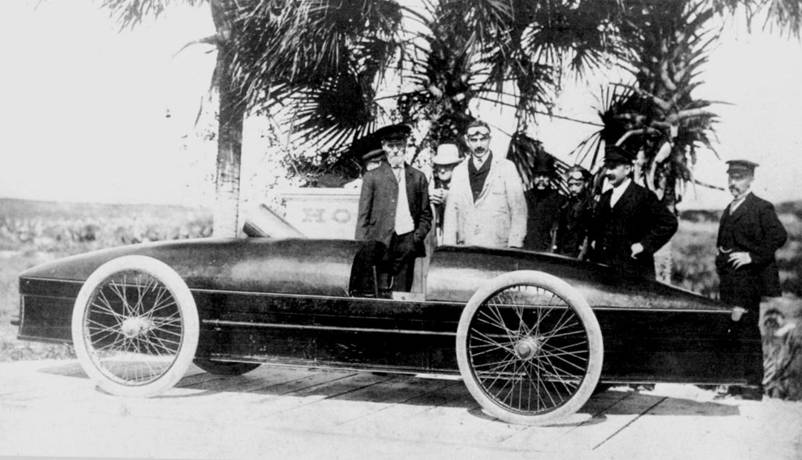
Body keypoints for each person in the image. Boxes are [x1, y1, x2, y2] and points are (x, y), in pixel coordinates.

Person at [715, 159, 787, 399]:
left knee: (746, 329)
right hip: (729, 279)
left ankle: (752, 387)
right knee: (730, 329)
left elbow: (779, 235)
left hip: (748, 280)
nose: (733, 183)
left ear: (751, 179)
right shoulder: (730, 207)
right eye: (731, 177)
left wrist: (752, 256)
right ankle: (735, 383)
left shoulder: (761, 207)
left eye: (739, 177)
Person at [355, 124, 432, 292]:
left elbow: (426, 215)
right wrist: (363, 248)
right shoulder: (372, 178)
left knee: (402, 292)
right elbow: (363, 216)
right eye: (391, 146)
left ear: (406, 145)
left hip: (407, 242)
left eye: (399, 145)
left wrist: (415, 238)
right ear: (384, 146)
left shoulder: (418, 177)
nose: (396, 150)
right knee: (377, 291)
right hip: (379, 244)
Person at [587, 146, 677, 279]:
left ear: (628, 169)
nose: (608, 172)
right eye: (607, 167)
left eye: (613, 167)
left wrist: (644, 245)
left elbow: (669, 223)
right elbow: (596, 227)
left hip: (634, 271)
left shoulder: (643, 196)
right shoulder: (605, 197)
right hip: (605, 270)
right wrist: (596, 242)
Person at [442, 120, 527, 248]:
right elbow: (451, 214)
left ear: (490, 139)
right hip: (467, 247)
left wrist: (514, 246)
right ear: (467, 141)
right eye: (474, 140)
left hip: (498, 248)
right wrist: (448, 248)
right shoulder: (459, 172)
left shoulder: (506, 168)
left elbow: (519, 210)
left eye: (483, 139)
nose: (479, 144)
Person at [523, 153, 565, 251]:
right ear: (533, 176)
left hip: (547, 252)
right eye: (538, 175)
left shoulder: (560, 200)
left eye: (545, 175)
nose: (541, 179)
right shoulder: (525, 198)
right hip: (525, 250)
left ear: (550, 177)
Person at [553, 165, 593, 257]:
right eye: (570, 185)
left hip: (581, 253)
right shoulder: (565, 204)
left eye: (577, 184)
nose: (573, 189)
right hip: (563, 251)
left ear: (586, 184)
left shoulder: (592, 206)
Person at [429, 143, 462, 245]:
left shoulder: (463, 186)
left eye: (447, 166)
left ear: (456, 166)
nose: (442, 170)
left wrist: (448, 198)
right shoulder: (432, 185)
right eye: (440, 165)